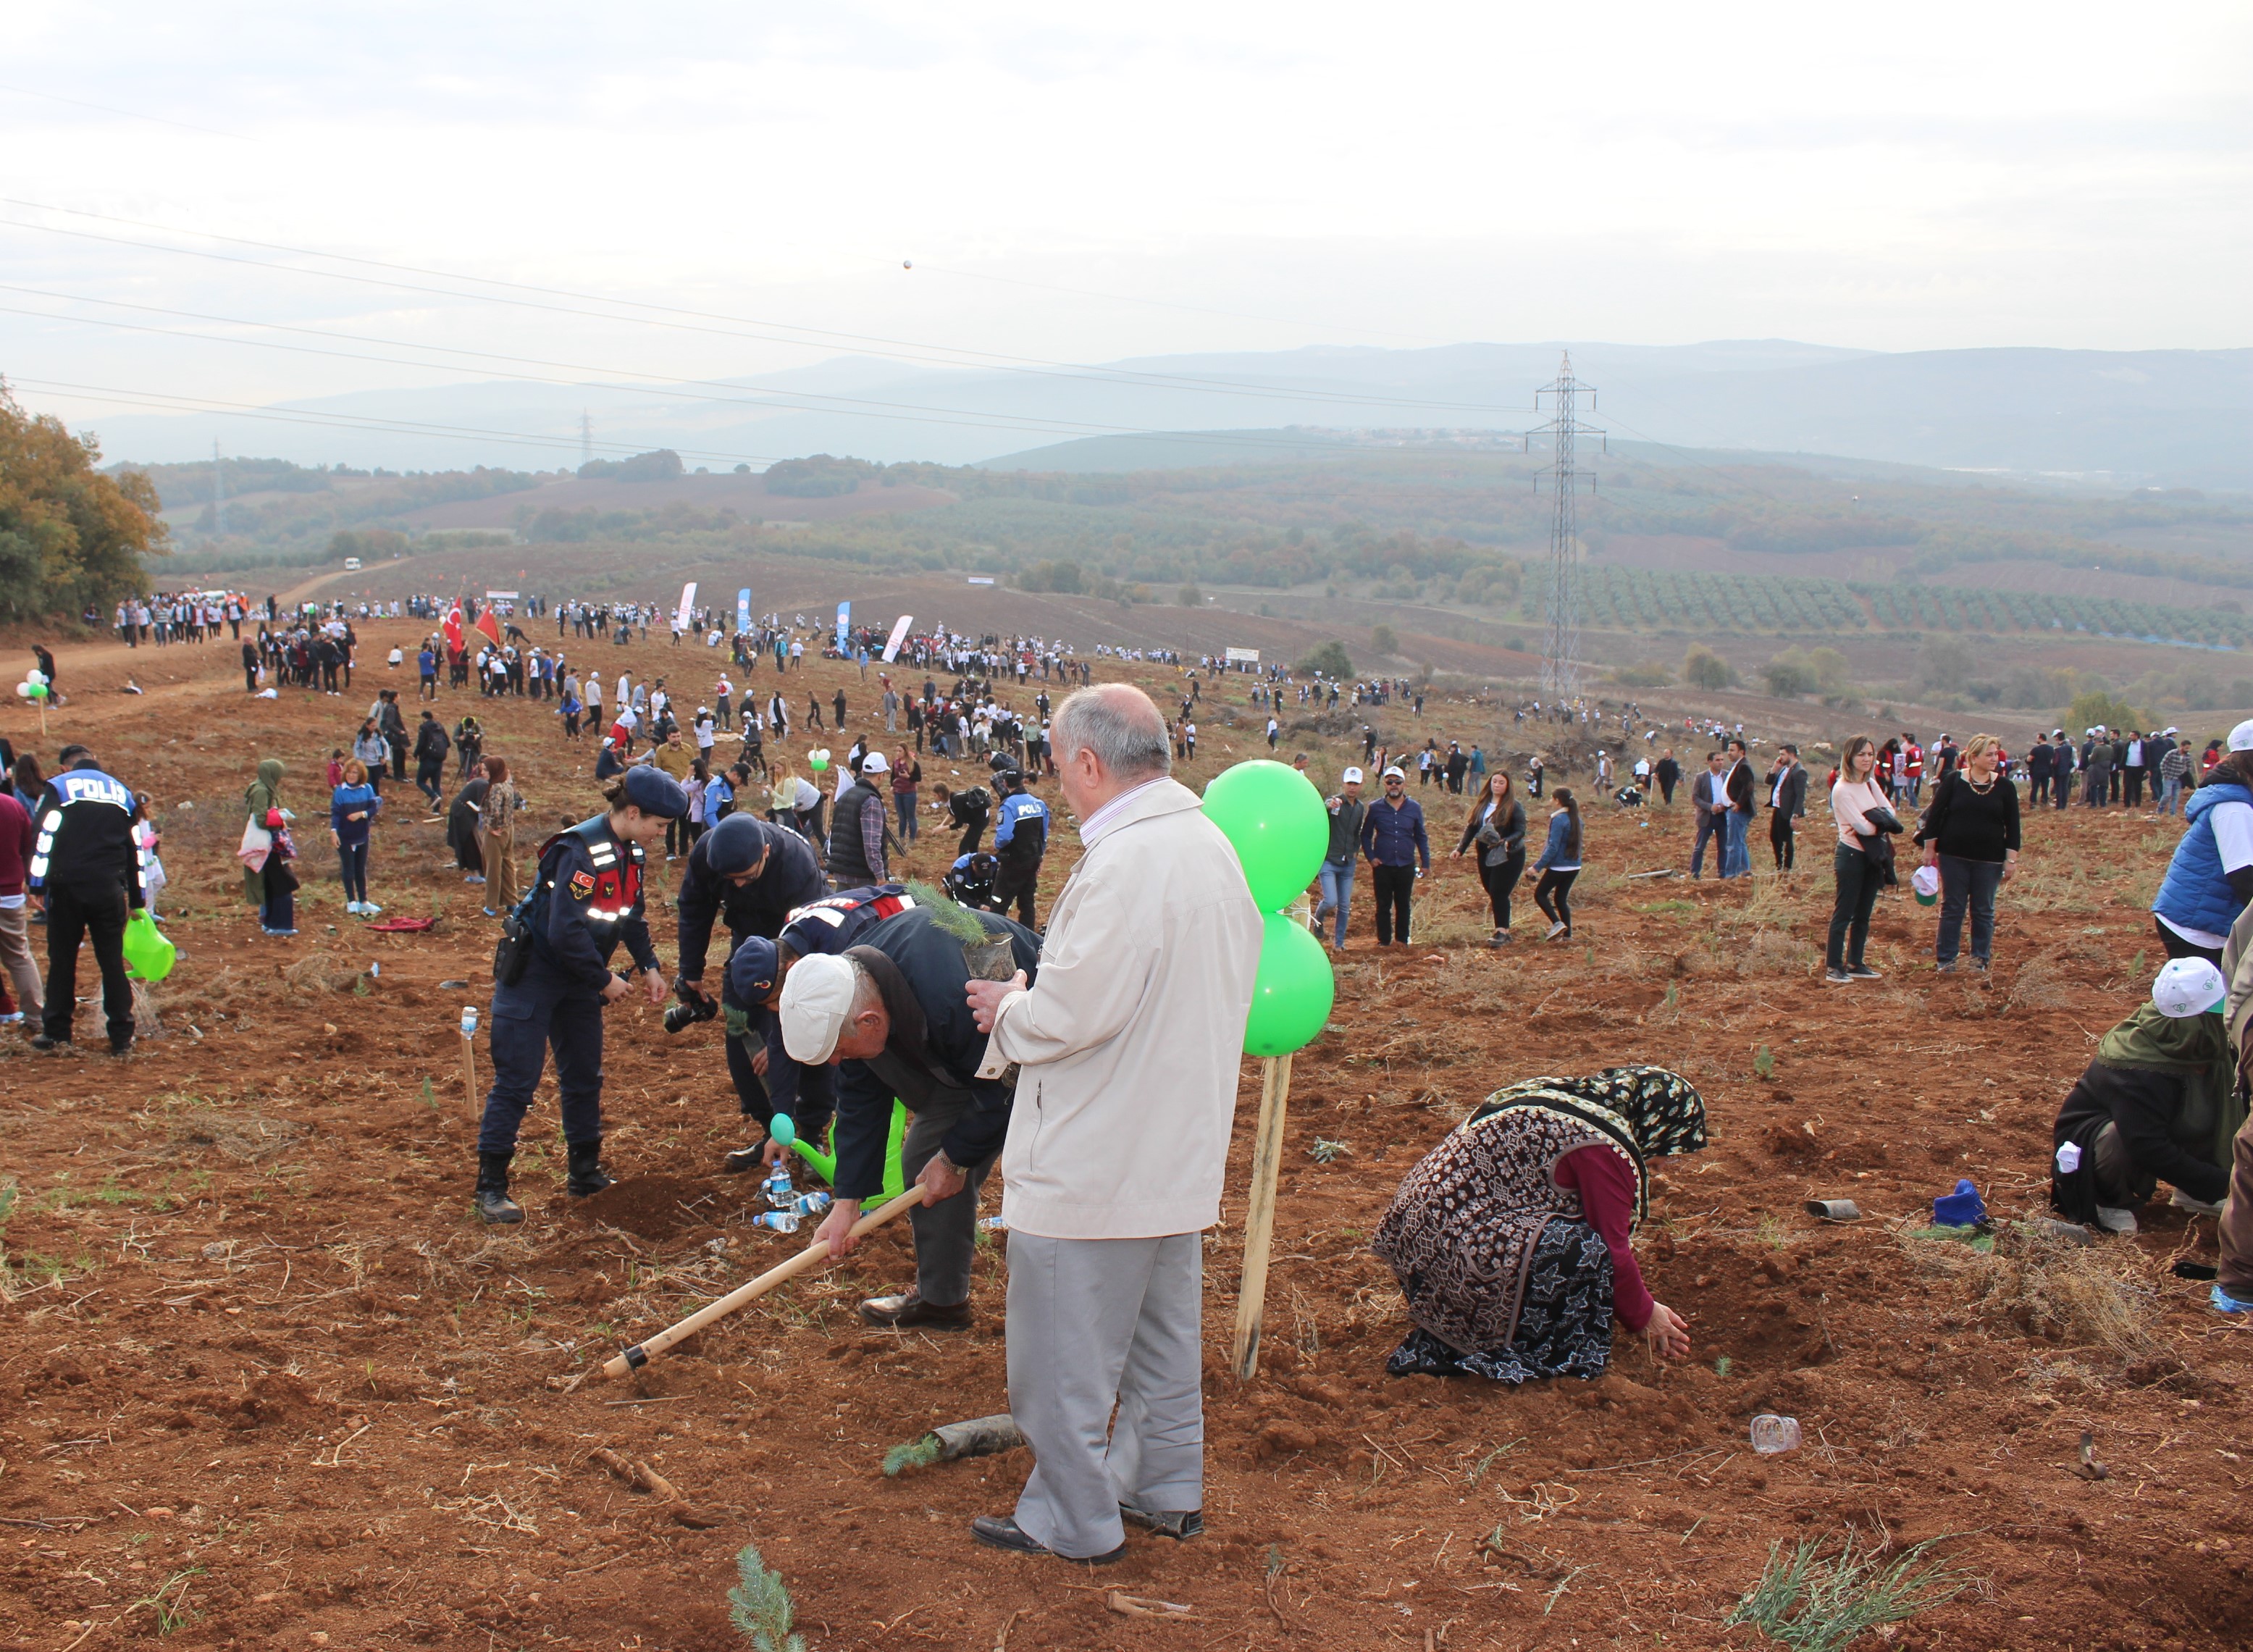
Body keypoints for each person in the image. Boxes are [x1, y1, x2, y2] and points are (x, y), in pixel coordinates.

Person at [940, 682, 1260, 1563]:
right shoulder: (1208, 846)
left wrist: (1009, 1007)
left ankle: (1071, 1518)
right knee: (1160, 1348)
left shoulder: (1125, 864)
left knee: (1058, 1363)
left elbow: (1072, 1015)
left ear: (1088, 762)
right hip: (1173, 1149)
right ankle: (1162, 1489)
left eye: (1057, 764)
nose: (1057, 782)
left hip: (1096, 1156)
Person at [786, 903, 1040, 1326]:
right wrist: (847, 1202)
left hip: (1039, 1059)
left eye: (838, 1053)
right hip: (963, 1060)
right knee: (925, 1164)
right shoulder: (849, 988)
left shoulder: (957, 995)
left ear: (869, 1021)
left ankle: (1055, 1311)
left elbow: (1006, 1085)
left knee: (1019, 1173)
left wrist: (955, 1158)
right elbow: (860, 1102)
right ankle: (943, 1304)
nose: (835, 1064)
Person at [1372, 1068, 1703, 1382]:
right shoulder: (1604, 1147)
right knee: (1581, 1250)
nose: (1670, 1162)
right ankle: (1533, 1350)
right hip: (1455, 1244)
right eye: (1673, 1146)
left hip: (1420, 1232)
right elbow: (1612, 1250)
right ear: (1656, 1125)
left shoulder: (1569, 1102)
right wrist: (1646, 1316)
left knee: (1570, 1237)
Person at [473, 766, 684, 1223]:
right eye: (658, 826)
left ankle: (584, 1172)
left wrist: (649, 965)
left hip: (578, 979)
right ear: (633, 812)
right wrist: (604, 979)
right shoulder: (579, 852)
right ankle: (491, 1186)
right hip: (536, 973)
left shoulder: (631, 853)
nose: (660, 836)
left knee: (584, 1076)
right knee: (517, 1080)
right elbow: (564, 931)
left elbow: (630, 914)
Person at [2052, 958, 2235, 1237]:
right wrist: (2227, 1183)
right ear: (2197, 1020)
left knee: (2211, 1100)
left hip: (2153, 1127)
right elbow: (2147, 1145)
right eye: (2217, 1011)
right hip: (2096, 1153)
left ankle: (2194, 1193)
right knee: (2117, 1137)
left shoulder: (2199, 1043)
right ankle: (2108, 1202)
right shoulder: (2136, 1064)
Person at [28, 748, 143, 1055]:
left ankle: (57, 1032)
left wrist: (37, 883)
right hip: (109, 888)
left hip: (68, 886)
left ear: (68, 765)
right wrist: (138, 896)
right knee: (112, 962)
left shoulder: (60, 786)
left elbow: (44, 835)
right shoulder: (122, 793)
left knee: (63, 960)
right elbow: (136, 846)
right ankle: (121, 1035)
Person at [1914, 733, 2020, 973]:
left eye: (1996, 754)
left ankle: (1979, 959)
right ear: (1973, 757)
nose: (1995, 759)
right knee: (1953, 907)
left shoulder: (2005, 786)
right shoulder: (1953, 781)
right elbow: (1935, 817)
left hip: (1990, 860)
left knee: (1983, 909)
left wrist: (2010, 860)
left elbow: (2013, 826)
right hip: (1953, 857)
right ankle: (1946, 959)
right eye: (1989, 754)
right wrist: (1929, 850)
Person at [2151, 720, 2253, 966]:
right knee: (2204, 1000)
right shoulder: (2233, 808)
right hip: (2198, 926)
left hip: (2210, 918)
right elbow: (2243, 876)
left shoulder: (2239, 797)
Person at [1824, 734, 1895, 985]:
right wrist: (1880, 823)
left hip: (1873, 855)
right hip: (1852, 854)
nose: (1867, 759)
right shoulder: (1842, 789)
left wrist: (1877, 822)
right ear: (1849, 757)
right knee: (1844, 911)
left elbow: (1890, 812)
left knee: (1864, 912)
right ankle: (1834, 965)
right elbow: (1862, 827)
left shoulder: (1870, 784)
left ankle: (1856, 962)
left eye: (1870, 754)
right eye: (1861, 754)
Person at [1455, 771, 1527, 947]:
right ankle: (1504, 931)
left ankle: (1501, 931)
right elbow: (1472, 828)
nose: (1497, 785)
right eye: (1495, 782)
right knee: (1491, 890)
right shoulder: (1483, 805)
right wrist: (1460, 849)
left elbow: (1520, 830)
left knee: (1498, 891)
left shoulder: (1514, 806)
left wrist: (1506, 841)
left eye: (1501, 783)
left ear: (1508, 786)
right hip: (1485, 853)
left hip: (1509, 854)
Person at [1361, 766, 1429, 947]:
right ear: (1385, 784)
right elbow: (1365, 835)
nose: (1394, 785)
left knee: (1403, 904)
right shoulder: (1375, 808)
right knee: (1383, 905)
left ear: (1403, 784)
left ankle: (1402, 940)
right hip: (1383, 865)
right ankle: (1384, 940)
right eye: (1390, 782)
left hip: (1406, 864)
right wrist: (1371, 857)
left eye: (1397, 782)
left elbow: (1420, 836)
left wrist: (1425, 862)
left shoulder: (1414, 808)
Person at [0, 781, 41, 1030]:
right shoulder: (12, 805)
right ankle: (36, 1017)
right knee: (18, 957)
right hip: (10, 894)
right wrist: (31, 883)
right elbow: (29, 847)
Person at [826, 751, 900, 889]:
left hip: (841, 870)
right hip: (862, 875)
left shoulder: (845, 796)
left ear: (862, 772)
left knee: (844, 910)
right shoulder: (871, 801)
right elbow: (871, 844)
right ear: (881, 775)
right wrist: (880, 874)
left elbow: (835, 833)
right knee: (868, 911)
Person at [242, 758, 297, 936]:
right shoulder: (262, 791)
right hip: (269, 844)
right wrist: (280, 818)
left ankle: (271, 923)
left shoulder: (259, 788)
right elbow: (261, 818)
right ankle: (280, 925)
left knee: (272, 883)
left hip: (266, 843)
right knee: (282, 883)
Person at [1314, 767, 1367, 951]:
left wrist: (1355, 851)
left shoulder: (1360, 808)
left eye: (1356, 784)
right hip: (1329, 860)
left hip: (1348, 864)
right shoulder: (1336, 802)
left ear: (1361, 786)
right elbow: (1324, 807)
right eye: (1349, 783)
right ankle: (1318, 920)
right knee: (1330, 901)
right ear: (1343, 784)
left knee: (1344, 905)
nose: (1352, 788)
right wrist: (1329, 805)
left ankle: (1339, 944)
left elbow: (1357, 831)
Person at [991, 771, 1049, 928]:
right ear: (1024, 782)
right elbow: (1043, 834)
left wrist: (996, 844)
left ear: (1005, 783)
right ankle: (1029, 940)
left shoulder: (1009, 805)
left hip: (1013, 862)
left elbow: (1005, 836)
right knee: (1027, 903)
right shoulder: (1039, 804)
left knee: (999, 903)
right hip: (1032, 861)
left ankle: (992, 940)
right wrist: (1040, 857)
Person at [330, 758, 381, 917]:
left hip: (362, 835)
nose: (352, 776)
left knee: (360, 868)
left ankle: (364, 901)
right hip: (345, 836)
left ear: (361, 775)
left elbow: (373, 808)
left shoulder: (367, 789)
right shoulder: (340, 791)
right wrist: (333, 832)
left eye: (355, 773)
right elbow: (336, 813)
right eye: (349, 772)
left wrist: (361, 814)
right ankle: (351, 901)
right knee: (348, 868)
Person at [1531, 787, 1582, 942]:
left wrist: (1536, 867)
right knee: (1560, 899)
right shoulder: (1577, 819)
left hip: (1559, 867)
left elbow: (1553, 847)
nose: (1550, 802)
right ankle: (1568, 936)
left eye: (1551, 799)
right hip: (1574, 866)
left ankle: (1557, 923)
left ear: (1557, 801)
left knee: (1540, 895)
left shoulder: (1559, 819)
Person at [479, 756, 524, 915]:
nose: (482, 773)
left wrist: (490, 827)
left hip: (496, 833)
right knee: (507, 866)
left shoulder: (496, 788)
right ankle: (512, 901)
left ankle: (491, 906)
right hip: (508, 829)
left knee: (493, 869)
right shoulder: (507, 785)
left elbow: (495, 811)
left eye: (485, 770)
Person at [1763, 745, 1807, 872]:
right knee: (1774, 837)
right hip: (1778, 807)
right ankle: (1779, 864)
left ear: (1791, 755)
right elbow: (1768, 781)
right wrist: (1774, 768)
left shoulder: (1799, 772)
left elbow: (1800, 796)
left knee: (1786, 839)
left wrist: (1795, 815)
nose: (1780, 757)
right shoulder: (1783, 769)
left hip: (1787, 810)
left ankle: (1786, 867)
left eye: (1783, 754)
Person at [1719, 737, 1755, 879]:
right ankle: (1745, 872)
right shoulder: (1737, 765)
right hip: (1733, 809)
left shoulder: (1743, 766)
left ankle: (1731, 874)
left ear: (1741, 752)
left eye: (1732, 750)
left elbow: (1749, 787)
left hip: (1739, 811)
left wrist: (1739, 803)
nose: (1729, 753)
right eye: (1728, 750)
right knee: (1740, 842)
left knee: (1734, 844)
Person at [1689, 752, 1725, 878]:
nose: (1720, 762)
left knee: (1723, 847)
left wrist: (1724, 807)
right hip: (1706, 816)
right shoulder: (1701, 777)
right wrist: (1710, 807)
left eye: (1722, 760)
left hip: (1723, 816)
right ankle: (1694, 873)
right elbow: (1695, 797)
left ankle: (1723, 873)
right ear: (1710, 762)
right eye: (1717, 760)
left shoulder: (1727, 775)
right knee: (1700, 847)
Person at [413, 713, 450, 811]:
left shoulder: (424, 727)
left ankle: (433, 796)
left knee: (420, 781)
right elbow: (448, 743)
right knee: (436, 784)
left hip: (427, 759)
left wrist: (416, 754)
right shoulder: (439, 726)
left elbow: (421, 743)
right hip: (439, 760)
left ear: (423, 718)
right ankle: (436, 810)